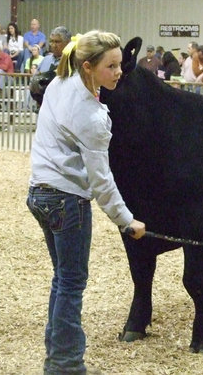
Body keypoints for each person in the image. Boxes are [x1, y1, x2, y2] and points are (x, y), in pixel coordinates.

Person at [27, 29, 145, 375]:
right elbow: (101, 180)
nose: (119, 72)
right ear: (89, 67)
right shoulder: (93, 116)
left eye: (120, 64)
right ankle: (66, 364)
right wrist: (126, 220)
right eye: (111, 66)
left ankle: (56, 356)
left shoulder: (59, 84)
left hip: (39, 192)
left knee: (62, 279)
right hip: (66, 200)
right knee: (72, 282)